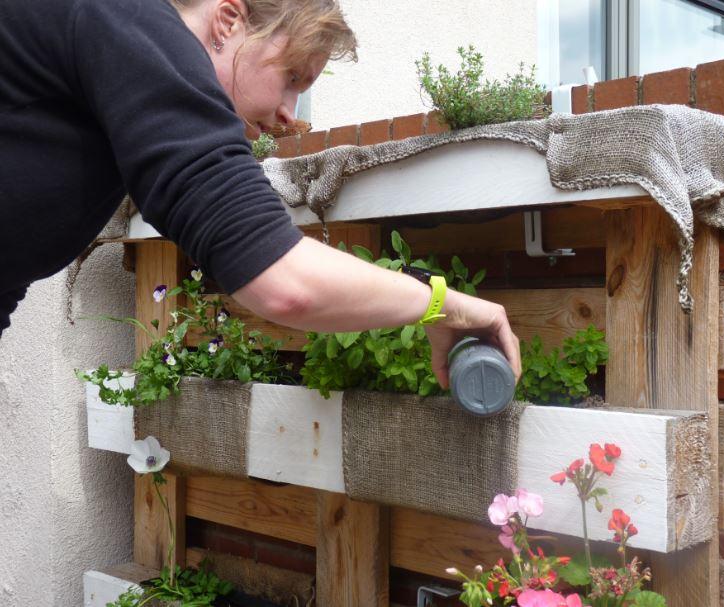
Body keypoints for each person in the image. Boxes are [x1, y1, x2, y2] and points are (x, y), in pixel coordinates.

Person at [0, 0, 521, 389]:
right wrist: (441, 304)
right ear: (228, 21)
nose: (290, 112)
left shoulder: (119, 83)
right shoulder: (133, 24)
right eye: (292, 76)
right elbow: (281, 280)